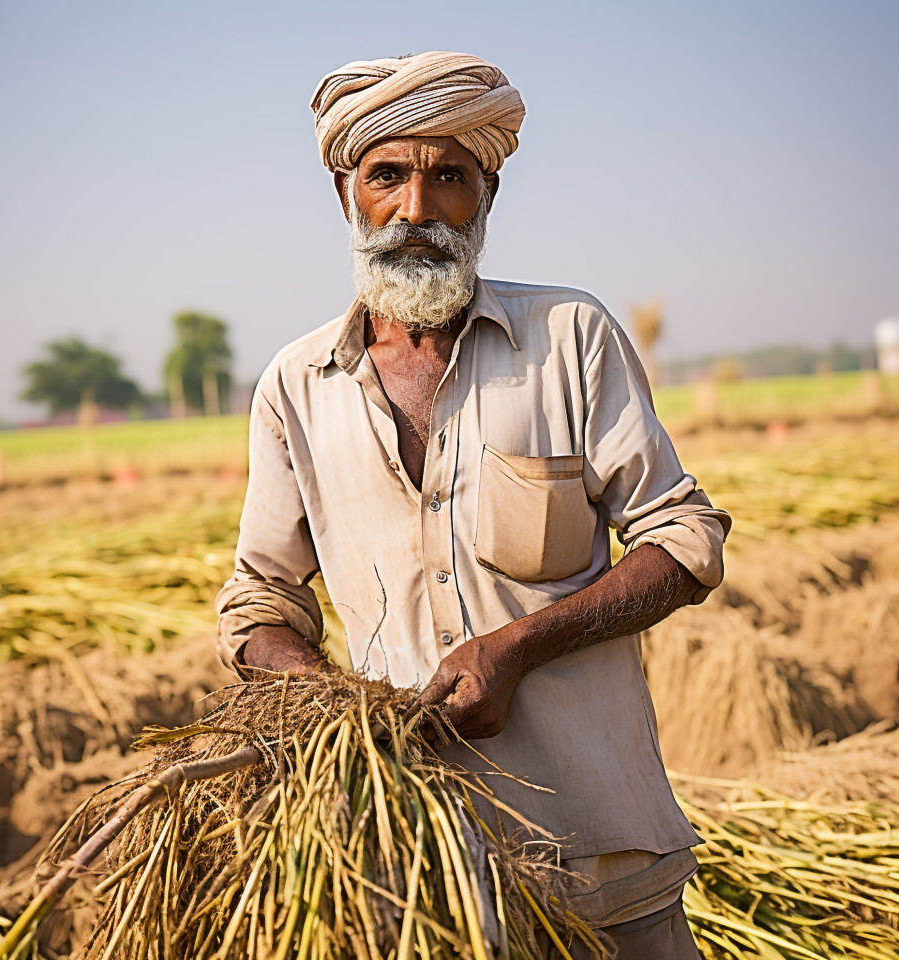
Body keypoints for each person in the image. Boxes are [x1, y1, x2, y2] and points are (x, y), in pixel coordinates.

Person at [217, 51, 730, 959]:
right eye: (387, 177)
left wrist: (519, 647)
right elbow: (260, 601)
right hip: (418, 877)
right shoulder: (295, 387)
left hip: (601, 852)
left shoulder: (571, 338)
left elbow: (684, 540)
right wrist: (332, 706)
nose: (416, 210)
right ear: (349, 197)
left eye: (447, 177)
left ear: (486, 195)